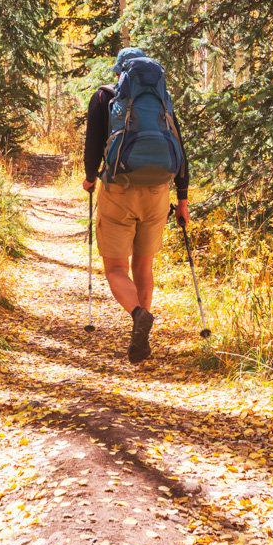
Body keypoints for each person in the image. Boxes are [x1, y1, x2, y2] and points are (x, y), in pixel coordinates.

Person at [82, 47, 190, 363]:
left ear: (120, 73)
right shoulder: (160, 101)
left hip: (119, 189)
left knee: (116, 268)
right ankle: (139, 338)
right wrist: (182, 199)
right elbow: (180, 151)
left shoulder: (104, 97)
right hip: (158, 191)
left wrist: (90, 178)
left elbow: (92, 146)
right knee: (143, 266)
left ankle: (138, 314)